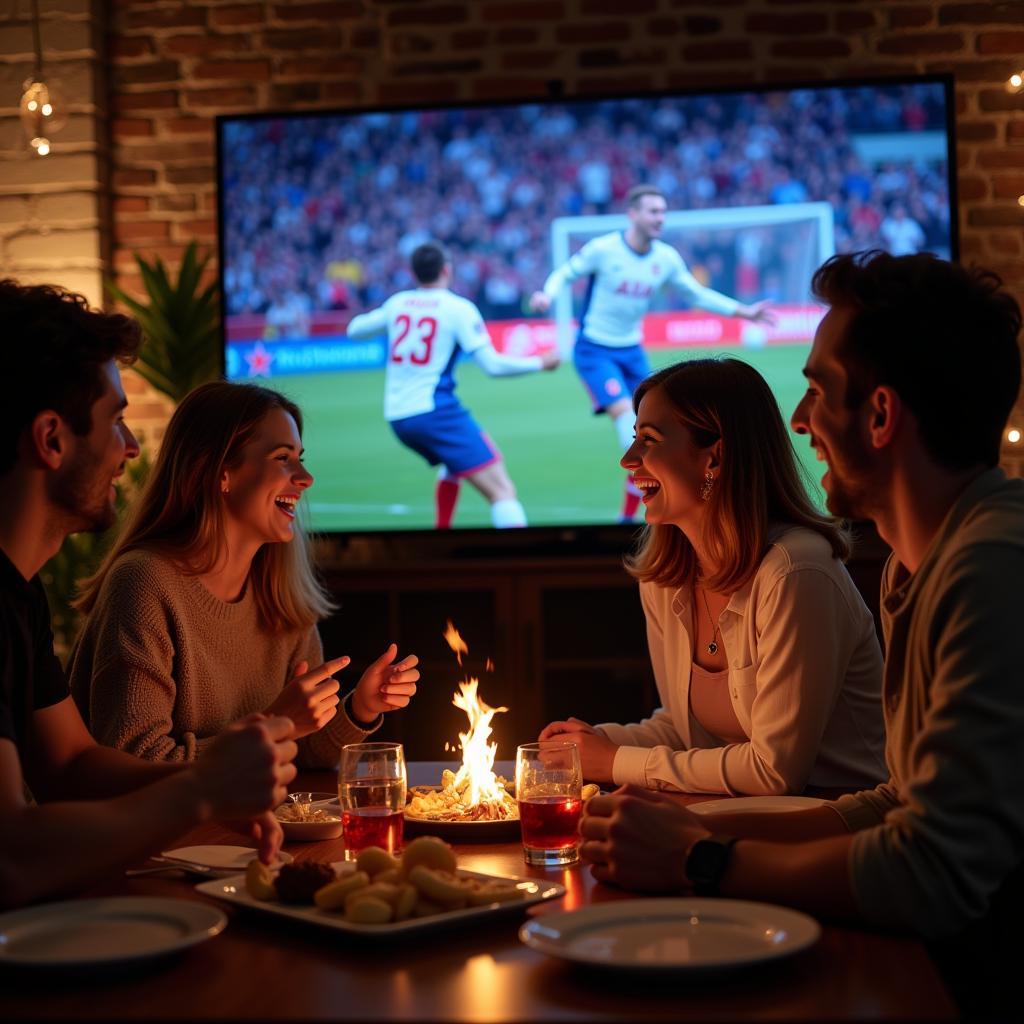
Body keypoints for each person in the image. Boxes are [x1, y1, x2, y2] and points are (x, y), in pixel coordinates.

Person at [578, 252, 1024, 1016]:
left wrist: (702, 856)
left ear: (880, 416)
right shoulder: (919, 567)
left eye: (817, 390)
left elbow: (934, 874)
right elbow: (897, 801)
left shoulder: (986, 570)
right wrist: (696, 819)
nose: (797, 419)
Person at [0, 279, 297, 909]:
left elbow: (73, 766)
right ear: (51, 439)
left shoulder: (16, 597)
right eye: (115, 421)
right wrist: (203, 793)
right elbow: (10, 856)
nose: (132, 449)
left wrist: (213, 780)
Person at [540, 358, 886, 795]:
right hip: (739, 821)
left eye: (649, 440)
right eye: (634, 438)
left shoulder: (796, 571)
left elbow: (774, 772)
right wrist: (593, 744)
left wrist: (613, 762)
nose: (629, 460)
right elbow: (689, 735)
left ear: (715, 457)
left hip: (836, 831)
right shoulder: (666, 576)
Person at [69, 382, 419, 765]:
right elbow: (134, 759)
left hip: (248, 820)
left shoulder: (280, 594)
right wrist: (275, 723)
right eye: (282, 458)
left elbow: (302, 751)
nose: (305, 478)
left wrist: (361, 709)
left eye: (301, 458)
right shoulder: (144, 583)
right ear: (222, 473)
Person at [528, 185, 775, 522]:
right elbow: (565, 274)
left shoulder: (665, 258)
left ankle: (629, 516)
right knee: (629, 423)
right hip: (595, 350)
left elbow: (696, 294)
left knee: (659, 424)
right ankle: (641, 506)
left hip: (632, 350)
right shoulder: (604, 249)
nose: (661, 217)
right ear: (633, 214)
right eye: (653, 211)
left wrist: (742, 312)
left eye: (663, 211)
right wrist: (547, 293)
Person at [347, 242, 559, 529]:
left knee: (454, 463)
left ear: (414, 273)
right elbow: (492, 367)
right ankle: (520, 564)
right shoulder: (457, 308)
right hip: (433, 410)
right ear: (447, 270)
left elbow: (354, 329)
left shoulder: (398, 303)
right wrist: (539, 363)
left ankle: (441, 530)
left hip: (398, 416)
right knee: (502, 491)